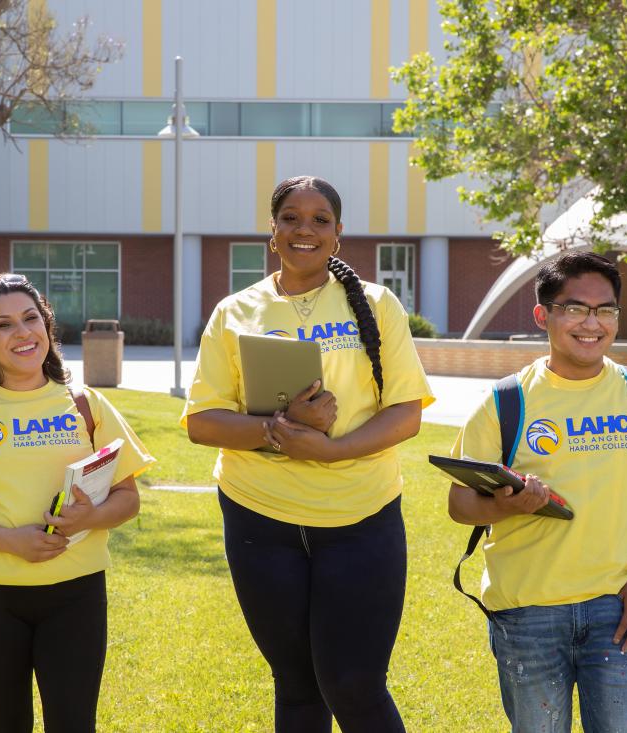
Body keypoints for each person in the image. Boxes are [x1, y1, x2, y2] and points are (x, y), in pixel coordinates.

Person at [183, 176, 434, 732]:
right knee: (296, 686)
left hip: (361, 517)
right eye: (291, 218)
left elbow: (406, 413)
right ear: (272, 232)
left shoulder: (376, 304)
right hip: (258, 518)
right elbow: (201, 421)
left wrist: (330, 450)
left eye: (321, 219)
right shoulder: (235, 312)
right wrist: (282, 428)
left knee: (355, 685)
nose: (305, 229)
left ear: (338, 235)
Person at [447, 251, 627, 733]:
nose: (593, 323)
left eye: (606, 310)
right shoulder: (506, 401)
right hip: (526, 612)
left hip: (617, 609)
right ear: (543, 314)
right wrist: (505, 503)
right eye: (576, 308)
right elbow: (460, 504)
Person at [0, 273, 154, 732]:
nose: (22, 333)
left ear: (47, 326)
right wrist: (11, 542)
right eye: (3, 325)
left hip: (76, 592)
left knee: (73, 723)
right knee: (5, 722)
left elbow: (128, 499)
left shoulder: (87, 405)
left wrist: (93, 515)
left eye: (31, 318)